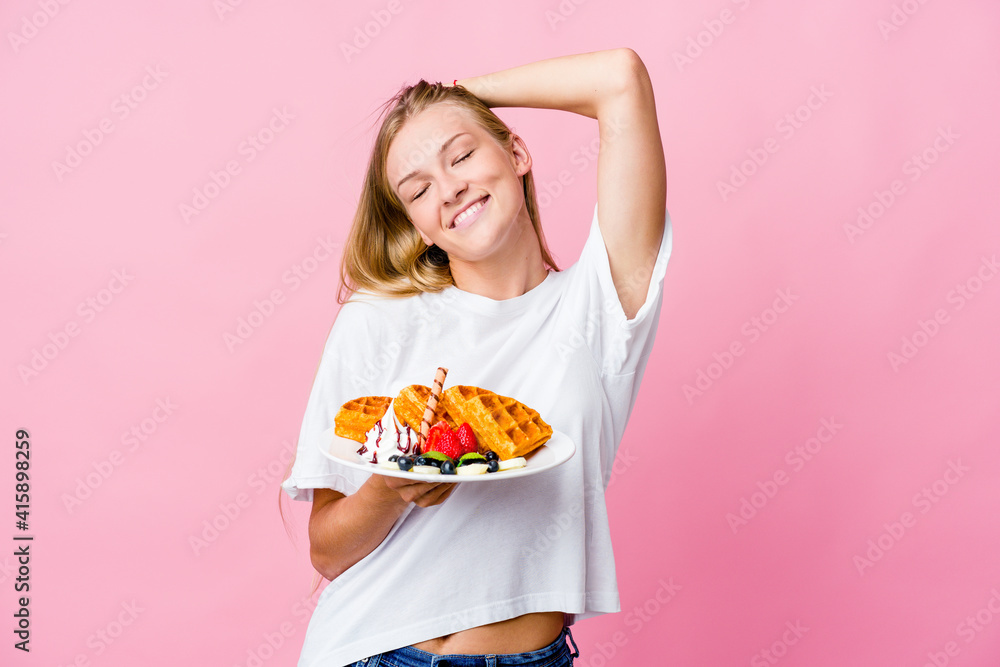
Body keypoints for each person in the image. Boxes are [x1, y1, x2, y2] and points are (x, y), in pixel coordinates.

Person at [281, 47, 672, 667]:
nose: (451, 186)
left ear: (516, 153)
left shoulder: (598, 307)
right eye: (419, 190)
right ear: (421, 228)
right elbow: (327, 552)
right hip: (368, 651)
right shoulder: (376, 321)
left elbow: (620, 79)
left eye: (462, 154)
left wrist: (459, 94)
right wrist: (389, 489)